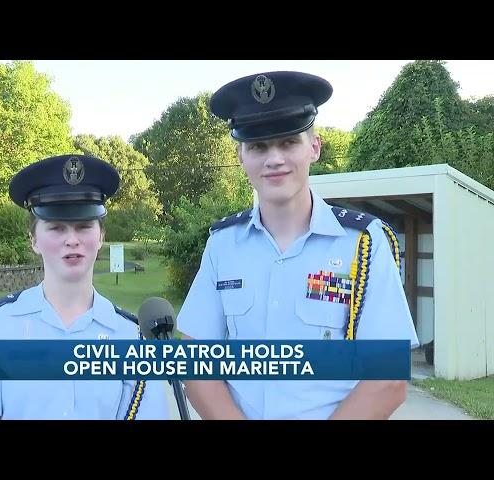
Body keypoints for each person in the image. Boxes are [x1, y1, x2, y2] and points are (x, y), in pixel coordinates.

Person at [177, 71, 419, 420]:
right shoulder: (222, 246)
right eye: (258, 146)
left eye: (288, 142)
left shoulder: (364, 246)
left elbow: (388, 377)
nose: (274, 158)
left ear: (314, 148)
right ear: (241, 156)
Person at [0, 154, 169, 420]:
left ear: (101, 237)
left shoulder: (132, 337)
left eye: (84, 226)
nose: (72, 240)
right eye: (57, 228)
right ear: (34, 240)